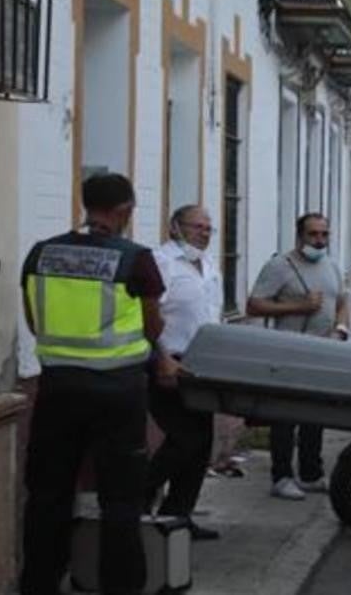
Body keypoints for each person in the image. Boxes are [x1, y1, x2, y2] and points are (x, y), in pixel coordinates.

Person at [19, 173, 172, 595]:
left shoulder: (41, 253)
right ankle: (120, 587)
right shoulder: (135, 259)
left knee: (47, 494)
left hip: (57, 389)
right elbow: (152, 324)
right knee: (121, 500)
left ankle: (38, 584)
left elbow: (34, 322)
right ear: (123, 211)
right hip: (118, 393)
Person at [247, 213, 350, 501]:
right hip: (288, 353)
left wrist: (341, 329)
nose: (319, 240)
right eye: (313, 234)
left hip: (322, 351)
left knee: (314, 415)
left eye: (324, 234)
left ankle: (311, 473)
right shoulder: (281, 266)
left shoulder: (331, 265)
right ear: (299, 236)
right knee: (284, 417)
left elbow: (341, 301)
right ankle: (281, 476)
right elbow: (254, 305)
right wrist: (298, 306)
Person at [145, 205, 222, 540]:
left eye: (209, 228)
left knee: (201, 443)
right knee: (183, 439)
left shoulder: (208, 265)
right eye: (197, 227)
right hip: (167, 362)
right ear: (175, 226)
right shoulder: (161, 262)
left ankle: (179, 517)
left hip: (202, 365)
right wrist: (161, 357)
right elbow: (146, 315)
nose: (204, 233)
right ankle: (137, 497)